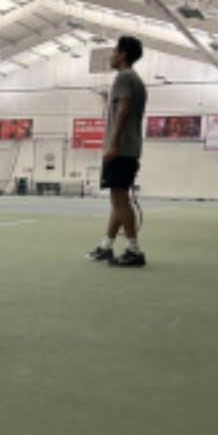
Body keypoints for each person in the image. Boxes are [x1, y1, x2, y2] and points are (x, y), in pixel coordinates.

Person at [87, 35, 148, 267]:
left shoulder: (123, 78)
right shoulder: (137, 81)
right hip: (129, 148)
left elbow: (122, 111)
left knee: (119, 199)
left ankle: (134, 251)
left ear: (122, 54)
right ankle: (106, 246)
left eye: (114, 51)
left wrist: (112, 144)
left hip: (121, 149)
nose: (111, 55)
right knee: (118, 199)